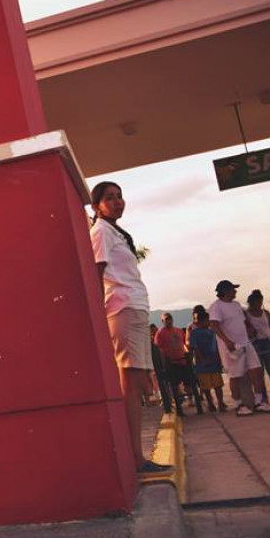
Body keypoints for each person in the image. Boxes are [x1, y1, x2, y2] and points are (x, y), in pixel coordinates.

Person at [88, 182, 170, 473]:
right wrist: (97, 315)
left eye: (120, 196)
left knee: (135, 386)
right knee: (131, 387)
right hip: (122, 308)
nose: (117, 202)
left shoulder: (114, 232)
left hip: (133, 308)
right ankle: (135, 458)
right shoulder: (100, 232)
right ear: (97, 205)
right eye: (109, 198)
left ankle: (135, 456)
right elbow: (96, 273)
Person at [209, 280, 269, 415]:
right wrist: (227, 341)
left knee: (257, 369)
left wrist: (249, 329)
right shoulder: (216, 307)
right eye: (232, 289)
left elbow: (243, 321)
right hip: (231, 346)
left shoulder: (236, 305)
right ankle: (238, 404)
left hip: (246, 342)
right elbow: (214, 325)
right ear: (225, 291)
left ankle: (259, 401)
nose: (235, 291)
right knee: (235, 375)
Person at [156, 313, 201, 416]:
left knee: (189, 381)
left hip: (183, 361)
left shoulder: (179, 331)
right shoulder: (160, 333)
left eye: (170, 319)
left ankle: (191, 400)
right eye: (166, 320)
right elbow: (159, 349)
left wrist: (188, 356)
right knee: (174, 384)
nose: (169, 321)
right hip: (171, 363)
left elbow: (183, 344)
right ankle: (178, 405)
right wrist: (163, 364)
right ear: (162, 321)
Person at [188, 311, 227, 412]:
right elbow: (195, 349)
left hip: (214, 361)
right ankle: (210, 404)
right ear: (202, 321)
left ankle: (220, 402)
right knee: (206, 387)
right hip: (202, 364)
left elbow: (217, 346)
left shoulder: (212, 332)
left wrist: (219, 359)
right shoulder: (195, 333)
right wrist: (203, 360)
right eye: (207, 320)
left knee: (218, 385)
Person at [245, 290, 270, 385]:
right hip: (255, 344)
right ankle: (263, 396)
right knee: (259, 374)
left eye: (261, 302)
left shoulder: (266, 313)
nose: (259, 304)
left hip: (268, 342)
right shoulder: (247, 315)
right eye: (258, 302)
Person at [148, 323, 175, 414]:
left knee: (167, 383)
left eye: (154, 330)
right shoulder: (150, 344)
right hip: (155, 367)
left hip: (164, 364)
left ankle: (170, 400)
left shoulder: (159, 340)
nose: (153, 332)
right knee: (159, 384)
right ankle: (164, 400)